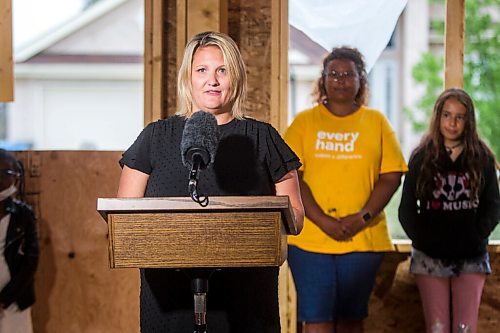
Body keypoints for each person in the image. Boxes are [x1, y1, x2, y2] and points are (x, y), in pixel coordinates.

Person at [117, 31, 304, 332]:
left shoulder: (263, 137)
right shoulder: (155, 137)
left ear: (236, 77)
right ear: (188, 78)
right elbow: (124, 219)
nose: (212, 80)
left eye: (222, 70)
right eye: (201, 70)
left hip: (246, 301)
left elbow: (295, 217)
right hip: (169, 301)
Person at [284, 46, 407, 333]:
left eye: (348, 74)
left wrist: (362, 217)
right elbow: (292, 177)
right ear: (323, 79)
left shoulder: (376, 122)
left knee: (352, 321)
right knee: (316, 321)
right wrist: (324, 220)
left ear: (361, 80)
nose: (340, 80)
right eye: (334, 73)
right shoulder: (304, 122)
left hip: (363, 240)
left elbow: (391, 176)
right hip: (310, 241)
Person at [398, 88, 499, 333]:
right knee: (438, 326)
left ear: (469, 121)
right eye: (447, 115)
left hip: (471, 256)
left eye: (459, 117)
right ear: (438, 117)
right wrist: (423, 241)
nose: (452, 123)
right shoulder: (421, 157)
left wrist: (476, 236)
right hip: (430, 256)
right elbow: (407, 209)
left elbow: (493, 206)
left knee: (465, 328)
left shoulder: (482, 157)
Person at [0, 149, 39, 333]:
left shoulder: (23, 215)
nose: (0, 179)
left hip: (14, 302)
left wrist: (5, 298)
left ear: (16, 177)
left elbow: (30, 261)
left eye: (6, 173)